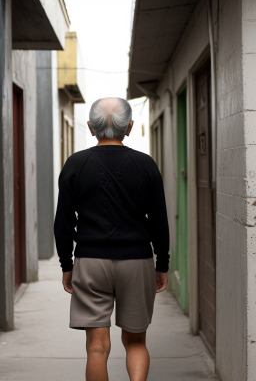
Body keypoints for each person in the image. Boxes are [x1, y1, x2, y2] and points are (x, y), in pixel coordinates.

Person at [54, 97, 170, 381]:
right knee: (136, 342)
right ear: (129, 127)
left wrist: (66, 264)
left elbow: (64, 222)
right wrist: (162, 263)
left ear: (91, 127)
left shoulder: (75, 164)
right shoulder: (145, 165)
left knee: (96, 348)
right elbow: (159, 220)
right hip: (137, 260)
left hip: (90, 261)